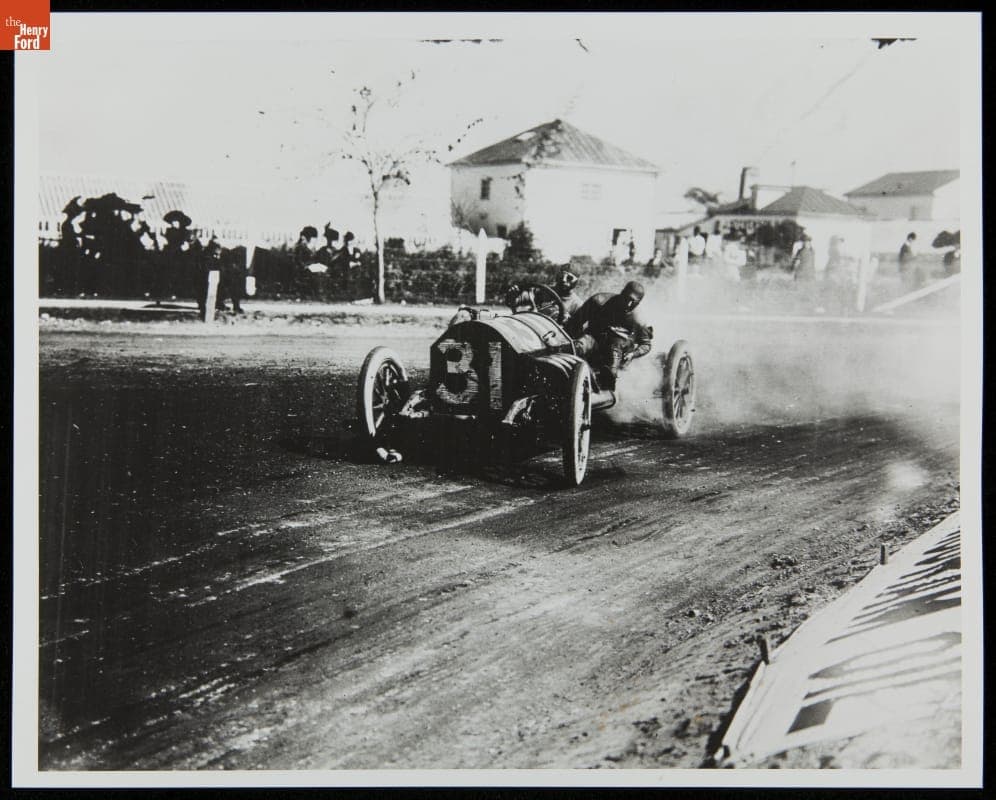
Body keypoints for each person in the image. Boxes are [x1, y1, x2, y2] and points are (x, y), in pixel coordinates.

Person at [565, 280, 653, 390]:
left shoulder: (639, 319)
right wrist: (574, 339)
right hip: (594, 337)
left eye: (633, 302)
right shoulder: (598, 301)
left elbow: (646, 344)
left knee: (611, 367)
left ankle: (605, 386)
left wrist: (633, 354)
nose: (628, 304)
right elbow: (575, 323)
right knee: (577, 347)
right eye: (627, 298)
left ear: (638, 303)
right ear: (622, 293)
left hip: (619, 347)